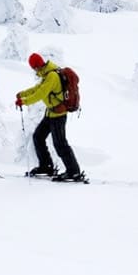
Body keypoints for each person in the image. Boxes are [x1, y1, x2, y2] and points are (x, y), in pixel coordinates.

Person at [16, 53, 85, 182]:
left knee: (60, 143)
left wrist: (24, 101)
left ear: (36, 66)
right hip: (50, 113)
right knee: (38, 136)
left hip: (58, 115)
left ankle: (73, 172)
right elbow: (38, 88)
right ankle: (46, 166)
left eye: (34, 67)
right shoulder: (47, 74)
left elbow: (41, 93)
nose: (34, 70)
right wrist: (23, 94)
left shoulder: (52, 76)